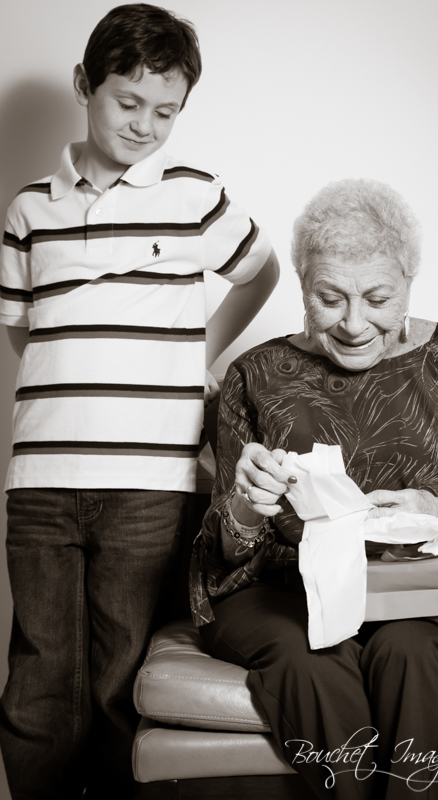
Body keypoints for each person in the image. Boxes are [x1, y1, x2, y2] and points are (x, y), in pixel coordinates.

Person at [0, 5, 279, 798]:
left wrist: (199, 351)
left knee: (125, 675)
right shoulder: (28, 210)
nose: (144, 125)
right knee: (40, 675)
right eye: (127, 103)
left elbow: (260, 272)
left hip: (150, 483)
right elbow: (24, 330)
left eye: (165, 111)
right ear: (83, 85)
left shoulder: (193, 196)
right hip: (42, 481)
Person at [190, 178, 438, 800]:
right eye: (330, 299)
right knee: (311, 657)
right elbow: (227, 555)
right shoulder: (254, 374)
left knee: (410, 649)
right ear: (302, 286)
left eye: (378, 298)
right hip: (291, 589)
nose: (353, 324)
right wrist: (246, 509)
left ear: (408, 281)